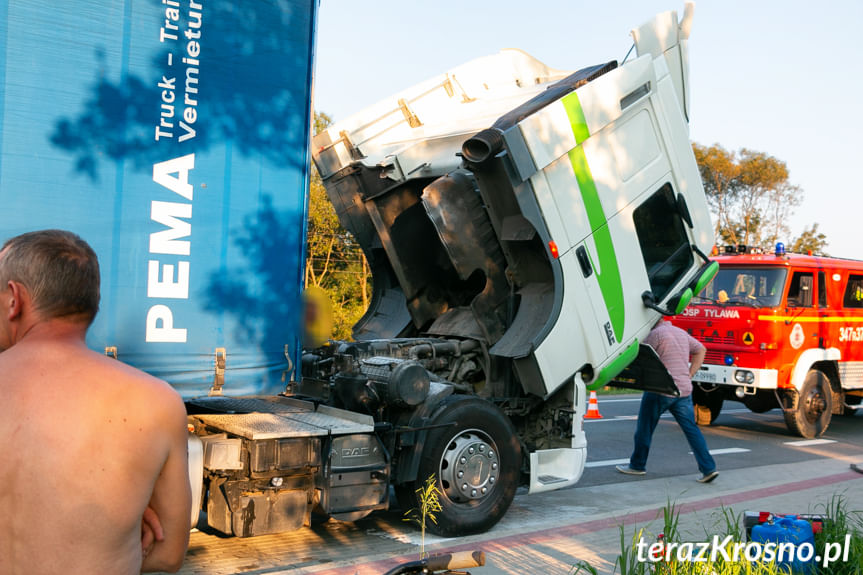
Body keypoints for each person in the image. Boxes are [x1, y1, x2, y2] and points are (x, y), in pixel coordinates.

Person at [0, 230, 191, 574]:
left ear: (14, 299)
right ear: (91, 304)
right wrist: (115, 531)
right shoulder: (154, 402)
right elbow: (169, 554)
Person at [616, 318, 719, 483]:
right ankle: (708, 469)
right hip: (683, 390)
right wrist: (690, 373)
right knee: (691, 430)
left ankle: (637, 466)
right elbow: (701, 349)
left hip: (660, 390)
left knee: (645, 428)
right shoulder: (681, 333)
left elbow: (640, 358)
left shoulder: (655, 335)